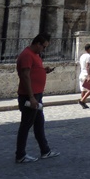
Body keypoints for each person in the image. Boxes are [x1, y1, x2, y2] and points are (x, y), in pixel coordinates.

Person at [15, 33, 60, 163]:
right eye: (44, 47)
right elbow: (25, 76)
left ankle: (45, 151)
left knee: (39, 124)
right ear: (37, 44)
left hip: (36, 95)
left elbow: (33, 71)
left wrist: (43, 70)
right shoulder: (27, 55)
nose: (44, 49)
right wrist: (31, 97)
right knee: (25, 126)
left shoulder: (35, 55)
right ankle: (20, 155)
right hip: (30, 96)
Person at [78, 43, 90, 108]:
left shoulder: (82, 56)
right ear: (89, 49)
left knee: (83, 90)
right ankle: (82, 100)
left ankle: (84, 104)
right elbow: (87, 66)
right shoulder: (88, 56)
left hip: (81, 74)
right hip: (86, 75)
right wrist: (89, 76)